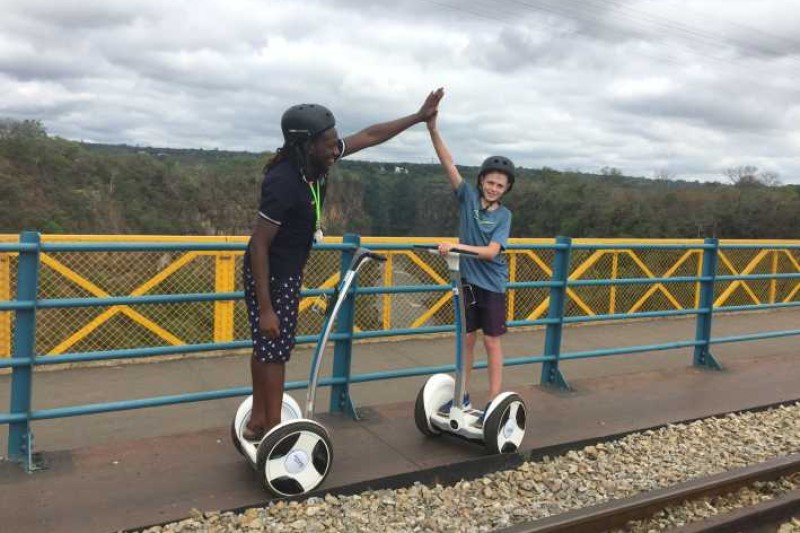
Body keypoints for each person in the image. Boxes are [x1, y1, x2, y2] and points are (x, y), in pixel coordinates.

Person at [243, 90, 444, 441]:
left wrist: (418, 116)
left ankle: (259, 421)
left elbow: (370, 135)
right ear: (306, 145)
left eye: (336, 142)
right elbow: (260, 244)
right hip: (271, 275)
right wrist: (265, 308)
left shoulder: (315, 163)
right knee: (273, 353)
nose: (336, 149)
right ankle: (274, 431)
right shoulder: (284, 181)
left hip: (286, 270)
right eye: (329, 143)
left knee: (266, 349)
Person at [425, 88, 514, 419]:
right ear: (481, 181)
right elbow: (447, 161)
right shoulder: (466, 197)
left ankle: (493, 401)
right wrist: (432, 127)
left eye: (499, 185)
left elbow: (491, 252)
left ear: (505, 190)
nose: (493, 188)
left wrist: (456, 247)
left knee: (491, 342)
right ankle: (461, 396)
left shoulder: (504, 216)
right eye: (490, 182)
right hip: (467, 283)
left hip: (491, 285)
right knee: (466, 341)